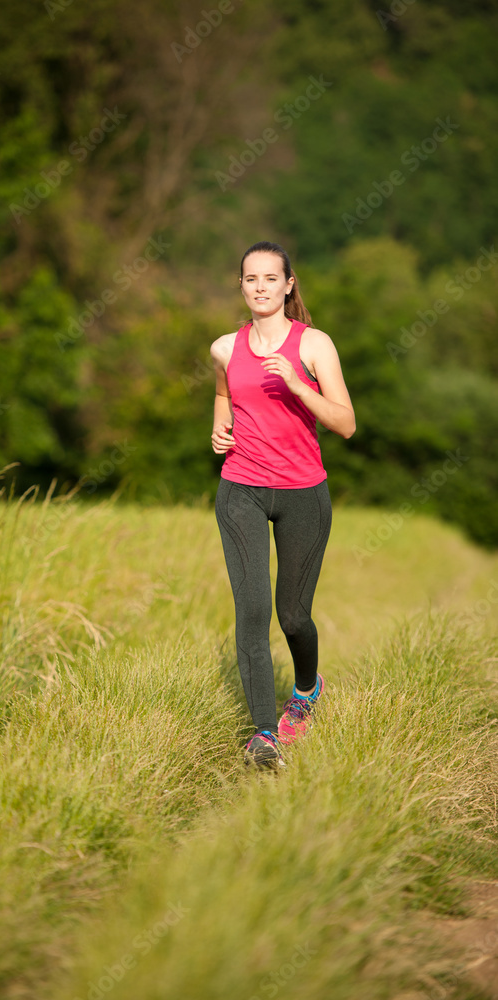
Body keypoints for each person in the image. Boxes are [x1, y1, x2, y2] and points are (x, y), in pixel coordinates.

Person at [211, 241, 355, 769]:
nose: (260, 287)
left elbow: (345, 423)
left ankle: (306, 690)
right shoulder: (224, 347)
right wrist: (219, 426)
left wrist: (297, 384)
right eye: (251, 278)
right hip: (241, 489)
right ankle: (264, 734)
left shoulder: (314, 344)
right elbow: (224, 393)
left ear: (288, 284)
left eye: (270, 278)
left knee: (292, 616)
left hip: (303, 494)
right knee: (251, 612)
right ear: (241, 285)